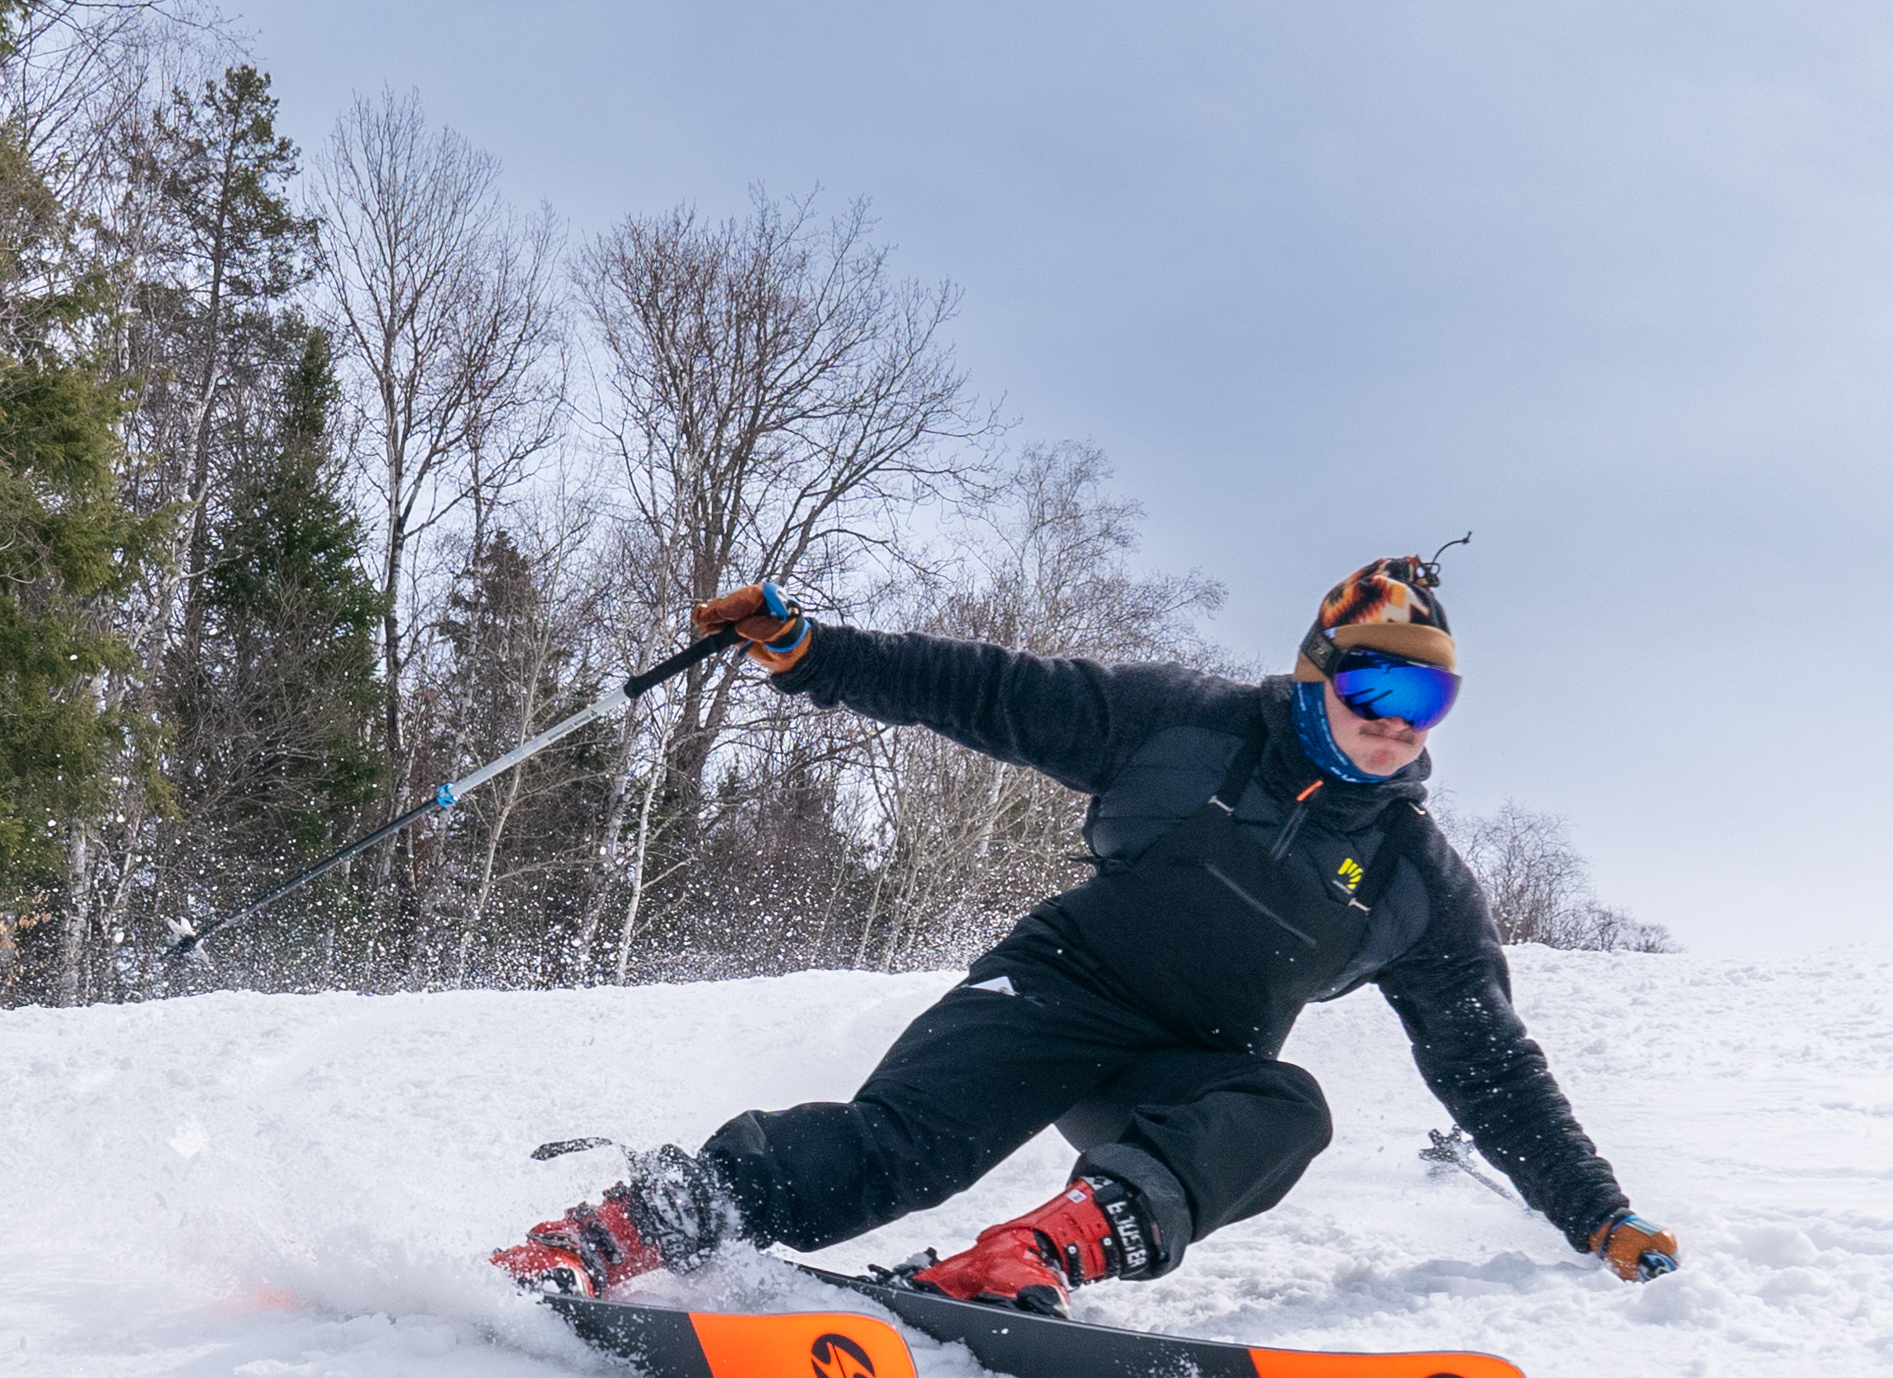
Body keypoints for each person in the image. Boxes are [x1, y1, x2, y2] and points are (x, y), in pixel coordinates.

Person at [493, 553, 1681, 1310]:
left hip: (1184, 1069)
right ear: (1317, 673)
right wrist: (815, 655)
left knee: (1287, 1109)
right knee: (891, 1155)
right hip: (1057, 989)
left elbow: (1490, 1064)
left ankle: (1038, 1251)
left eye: (1426, 701)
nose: (1393, 723)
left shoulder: (1419, 884)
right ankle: (623, 1225)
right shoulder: (1189, 730)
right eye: (1373, 688)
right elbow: (991, 691)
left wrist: (1598, 1211)